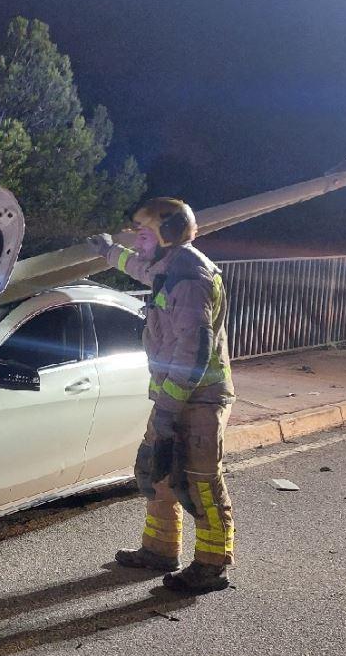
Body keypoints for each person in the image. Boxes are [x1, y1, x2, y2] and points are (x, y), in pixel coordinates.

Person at [87, 198, 235, 594]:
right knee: (159, 473)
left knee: (202, 483)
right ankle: (159, 550)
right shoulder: (168, 266)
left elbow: (193, 352)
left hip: (200, 399)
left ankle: (212, 566)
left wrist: (168, 410)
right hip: (173, 396)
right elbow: (139, 267)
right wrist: (108, 251)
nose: (137, 242)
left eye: (143, 234)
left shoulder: (190, 278)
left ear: (166, 235)